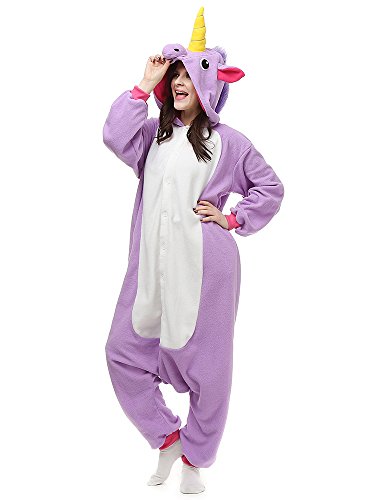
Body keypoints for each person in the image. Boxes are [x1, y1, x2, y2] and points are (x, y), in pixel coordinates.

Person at [103, 6, 284, 494]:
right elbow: (113, 135)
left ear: (209, 84)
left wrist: (232, 218)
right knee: (122, 353)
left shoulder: (230, 142)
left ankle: (196, 459)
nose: (180, 82)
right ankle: (168, 438)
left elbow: (270, 188)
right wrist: (144, 85)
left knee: (210, 370)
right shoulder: (153, 136)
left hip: (207, 267)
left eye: (188, 75)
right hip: (151, 266)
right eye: (175, 75)